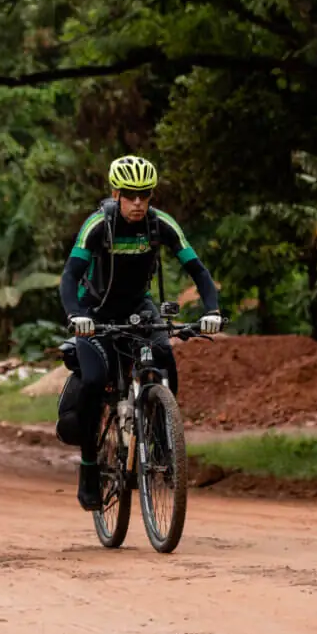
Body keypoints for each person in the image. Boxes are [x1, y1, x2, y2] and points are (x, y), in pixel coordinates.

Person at [58, 155, 222, 511]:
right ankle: (89, 466)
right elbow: (69, 276)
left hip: (138, 307)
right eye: (130, 194)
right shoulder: (98, 225)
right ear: (115, 193)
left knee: (165, 361)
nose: (137, 202)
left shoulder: (161, 224)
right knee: (94, 380)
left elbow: (198, 269)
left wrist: (212, 311)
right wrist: (76, 316)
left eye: (144, 194)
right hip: (95, 312)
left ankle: (161, 435)